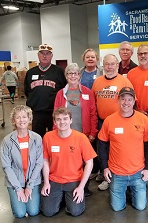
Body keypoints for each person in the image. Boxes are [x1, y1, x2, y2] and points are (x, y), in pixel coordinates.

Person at [97, 87, 148, 211]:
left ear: (134, 101)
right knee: (117, 208)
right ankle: (122, 191)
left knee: (140, 207)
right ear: (118, 101)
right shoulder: (109, 120)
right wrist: (104, 167)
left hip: (137, 172)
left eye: (129, 99)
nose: (126, 102)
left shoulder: (143, 119)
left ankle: (130, 191)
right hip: (117, 173)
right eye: (123, 99)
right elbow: (101, 144)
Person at [41, 107, 97, 217]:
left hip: (74, 180)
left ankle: (67, 198)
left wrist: (81, 188)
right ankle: (61, 197)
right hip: (55, 180)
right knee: (48, 212)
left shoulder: (81, 138)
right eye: (58, 119)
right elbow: (45, 160)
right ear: (54, 121)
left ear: (71, 120)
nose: (62, 122)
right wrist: (46, 182)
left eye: (65, 119)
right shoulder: (48, 137)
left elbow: (89, 163)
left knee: (75, 211)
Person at [53, 63, 98, 196]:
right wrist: (56, 132)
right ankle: (69, 185)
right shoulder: (61, 94)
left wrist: (93, 132)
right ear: (66, 76)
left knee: (85, 161)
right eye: (69, 73)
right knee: (69, 160)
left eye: (75, 73)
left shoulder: (87, 92)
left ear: (79, 75)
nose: (73, 76)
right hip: (65, 134)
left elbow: (93, 114)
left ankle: (84, 187)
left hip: (83, 134)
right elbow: (55, 114)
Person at [91, 54, 133, 191]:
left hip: (119, 123)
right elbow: (93, 102)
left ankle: (113, 179)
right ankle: (105, 175)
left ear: (117, 65)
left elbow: (132, 102)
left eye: (112, 64)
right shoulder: (97, 81)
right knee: (102, 149)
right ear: (103, 65)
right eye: (107, 64)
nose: (110, 67)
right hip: (101, 122)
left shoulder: (124, 81)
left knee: (115, 151)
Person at [0, 105, 43, 218]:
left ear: (29, 119)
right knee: (20, 214)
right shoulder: (7, 141)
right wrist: (18, 189)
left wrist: (29, 186)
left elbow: (39, 164)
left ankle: (27, 197)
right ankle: (18, 201)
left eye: (24, 117)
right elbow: (6, 167)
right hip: (15, 183)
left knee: (33, 211)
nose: (21, 120)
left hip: (32, 181)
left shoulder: (37, 138)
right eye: (18, 117)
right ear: (13, 121)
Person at [24, 43, 67, 137]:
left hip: (54, 112)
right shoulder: (30, 72)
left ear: (51, 56)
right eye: (42, 53)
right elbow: (27, 91)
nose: (44, 55)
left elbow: (64, 90)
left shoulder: (58, 71)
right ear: (38, 55)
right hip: (36, 113)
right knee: (37, 138)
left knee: (56, 137)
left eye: (47, 53)